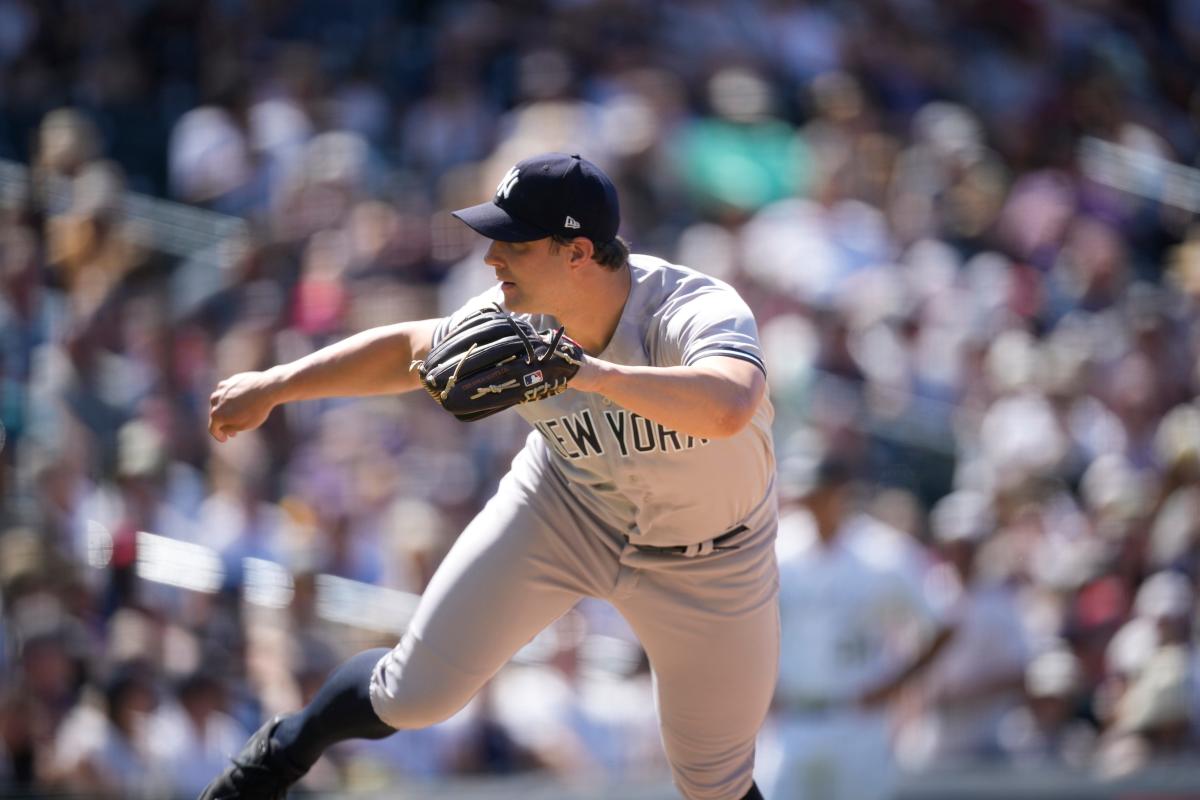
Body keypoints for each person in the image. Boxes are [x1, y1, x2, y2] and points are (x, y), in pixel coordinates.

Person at [200, 152, 778, 800]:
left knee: (714, 785)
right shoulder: (509, 314)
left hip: (712, 557)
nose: (491, 258)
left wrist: (588, 374)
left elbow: (730, 406)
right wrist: (275, 385)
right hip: (566, 507)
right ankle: (277, 759)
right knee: (414, 692)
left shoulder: (686, 307)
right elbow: (406, 351)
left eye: (513, 243)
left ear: (578, 252)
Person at [757, 455, 954, 800]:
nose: (810, 502)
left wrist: (895, 685)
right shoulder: (777, 547)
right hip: (792, 718)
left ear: (841, 492)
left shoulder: (883, 551)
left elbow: (945, 619)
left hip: (859, 719)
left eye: (818, 492)